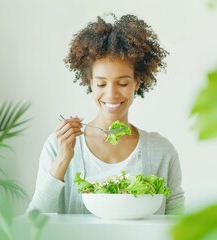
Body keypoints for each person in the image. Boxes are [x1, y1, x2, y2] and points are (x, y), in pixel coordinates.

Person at [27, 13, 184, 215]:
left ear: (137, 83)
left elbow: (178, 223)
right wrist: (62, 159)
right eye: (101, 83)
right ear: (90, 82)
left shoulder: (161, 151)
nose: (111, 94)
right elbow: (33, 221)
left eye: (123, 83)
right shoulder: (57, 145)